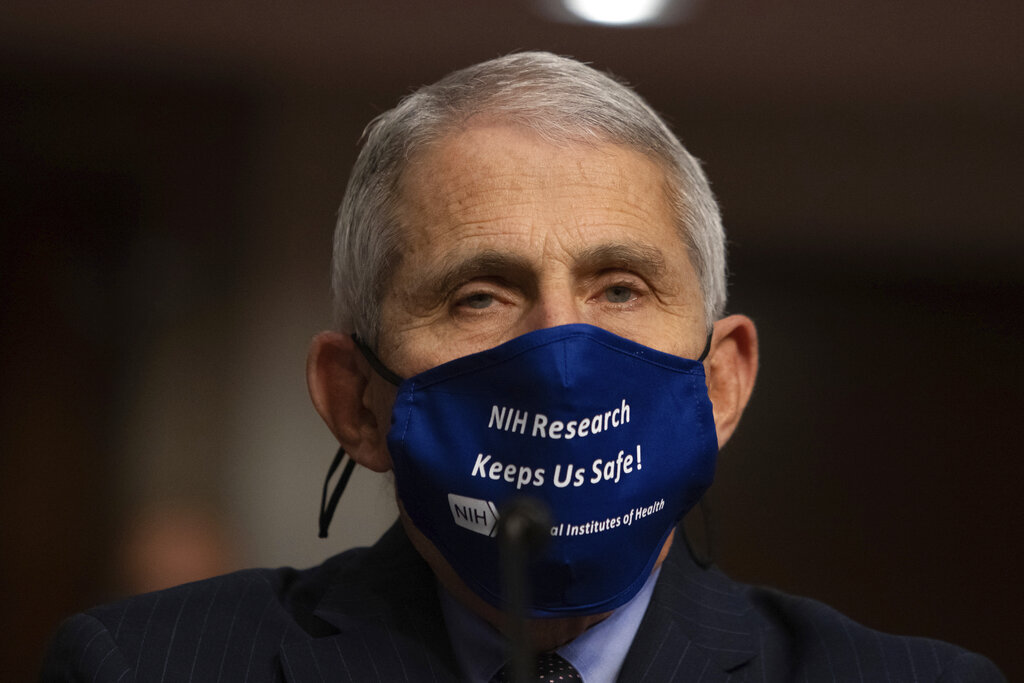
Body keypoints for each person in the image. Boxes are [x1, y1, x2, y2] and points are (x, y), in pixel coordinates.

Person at [42, 52, 1004, 683]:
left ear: (721, 382)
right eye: (479, 295)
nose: (558, 355)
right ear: (357, 403)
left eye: (620, 288)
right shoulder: (144, 666)